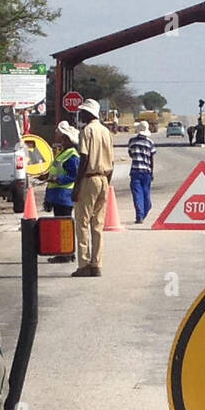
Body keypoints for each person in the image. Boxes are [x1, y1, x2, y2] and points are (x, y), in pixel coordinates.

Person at [72, 98, 115, 277]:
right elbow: (111, 161)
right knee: (97, 225)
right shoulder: (106, 131)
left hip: (89, 178)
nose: (80, 114)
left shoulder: (87, 131)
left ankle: (83, 264)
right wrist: (107, 182)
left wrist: (77, 185)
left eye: (82, 111)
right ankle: (97, 264)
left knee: (82, 223)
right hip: (104, 178)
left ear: (88, 113)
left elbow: (84, 159)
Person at [43, 122, 80, 263]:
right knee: (62, 225)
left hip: (64, 196)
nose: (58, 138)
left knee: (63, 226)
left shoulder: (72, 155)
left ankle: (65, 254)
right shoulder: (64, 153)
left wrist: (58, 179)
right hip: (58, 196)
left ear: (67, 139)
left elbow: (74, 175)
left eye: (62, 137)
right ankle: (66, 253)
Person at [127, 120, 155, 224]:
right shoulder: (150, 143)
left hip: (135, 171)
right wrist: (152, 172)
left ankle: (140, 215)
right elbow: (151, 159)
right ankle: (145, 210)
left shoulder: (132, 141)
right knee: (146, 192)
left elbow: (130, 154)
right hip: (146, 171)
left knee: (137, 194)